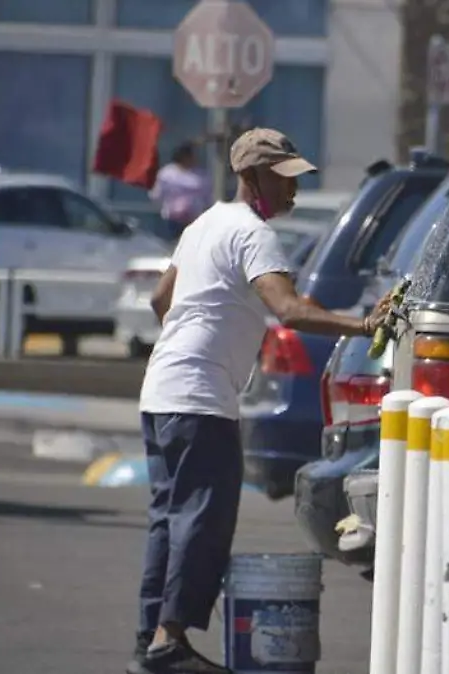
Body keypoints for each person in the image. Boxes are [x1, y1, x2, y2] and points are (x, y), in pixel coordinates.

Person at [128, 128, 394, 674]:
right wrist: (364, 323)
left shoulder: (206, 223)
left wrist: (198, 334)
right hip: (200, 399)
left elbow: (162, 299)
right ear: (251, 178)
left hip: (162, 390)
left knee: (169, 519)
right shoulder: (253, 234)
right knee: (202, 518)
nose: (292, 191)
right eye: (283, 179)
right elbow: (290, 312)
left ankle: (148, 641)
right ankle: (169, 642)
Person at [148, 141, 214, 241]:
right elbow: (157, 195)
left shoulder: (201, 175)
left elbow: (207, 196)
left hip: (194, 220)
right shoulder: (167, 173)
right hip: (172, 220)